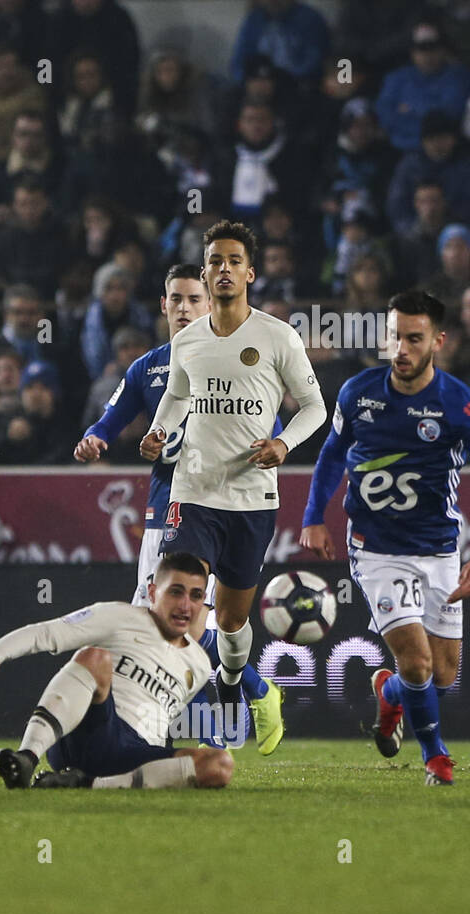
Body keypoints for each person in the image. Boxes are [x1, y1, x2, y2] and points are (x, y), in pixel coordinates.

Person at [300, 290, 470, 786]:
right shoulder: (358, 393)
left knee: (442, 674)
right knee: (417, 662)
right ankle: (435, 758)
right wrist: (314, 515)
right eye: (394, 336)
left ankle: (390, 694)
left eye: (413, 339)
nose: (400, 348)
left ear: (437, 342)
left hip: (440, 549)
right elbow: (333, 455)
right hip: (376, 551)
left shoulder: (460, 406)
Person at [77, 263, 284, 752]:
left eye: (195, 299)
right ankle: (234, 710)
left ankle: (219, 721)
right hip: (163, 508)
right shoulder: (148, 367)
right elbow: (111, 419)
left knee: (171, 623)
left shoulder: (244, 361)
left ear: (212, 304)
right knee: (159, 625)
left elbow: (268, 430)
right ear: (163, 306)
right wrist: (93, 439)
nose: (185, 308)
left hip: (220, 508)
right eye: (177, 299)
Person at [140, 220, 326, 712]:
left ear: (250, 274)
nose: (224, 269)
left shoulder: (278, 336)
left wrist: (284, 445)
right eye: (216, 262)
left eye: (234, 262)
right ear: (204, 274)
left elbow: (314, 407)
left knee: (230, 618)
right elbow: (178, 395)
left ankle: (231, 679)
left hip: (251, 497)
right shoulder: (188, 340)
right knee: (184, 591)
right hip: (193, 492)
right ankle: (161, 699)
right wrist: (159, 431)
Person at [0, 553, 233, 791]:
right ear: (152, 593)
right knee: (95, 657)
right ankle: (27, 758)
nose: (186, 605)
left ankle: (86, 782)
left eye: (196, 596)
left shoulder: (198, 664)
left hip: (134, 754)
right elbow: (51, 632)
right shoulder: (121, 616)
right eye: (176, 591)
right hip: (91, 733)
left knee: (219, 764)